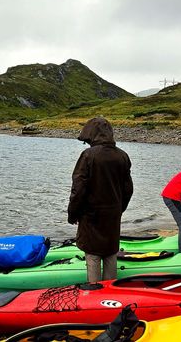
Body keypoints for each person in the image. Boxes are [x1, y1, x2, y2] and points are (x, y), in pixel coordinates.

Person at [68, 117, 133, 282]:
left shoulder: (88, 155)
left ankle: (95, 293)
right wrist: (119, 209)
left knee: (93, 255)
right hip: (113, 215)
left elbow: (78, 189)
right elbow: (128, 190)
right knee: (110, 254)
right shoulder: (122, 156)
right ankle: (110, 295)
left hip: (91, 216)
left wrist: (73, 214)